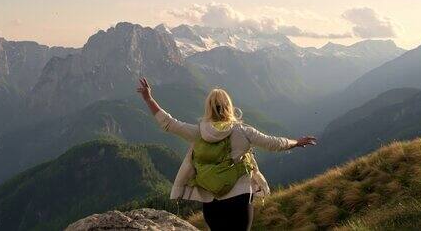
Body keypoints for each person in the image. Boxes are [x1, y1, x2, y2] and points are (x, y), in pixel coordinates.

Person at [136, 77, 317, 231]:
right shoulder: (243, 131)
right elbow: (273, 143)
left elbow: (168, 123)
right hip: (240, 199)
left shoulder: (198, 132)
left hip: (211, 200)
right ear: (229, 107)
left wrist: (148, 99)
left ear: (208, 108)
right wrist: (295, 142)